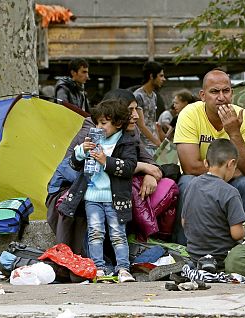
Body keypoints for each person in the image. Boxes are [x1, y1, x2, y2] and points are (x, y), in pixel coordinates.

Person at [47, 89, 161, 259]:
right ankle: (96, 261)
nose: (136, 116)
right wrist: (141, 167)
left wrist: (150, 174)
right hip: (72, 187)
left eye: (136, 109)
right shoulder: (95, 128)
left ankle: (130, 252)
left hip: (108, 186)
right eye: (130, 110)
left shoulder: (129, 131)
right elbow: (82, 168)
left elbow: (151, 163)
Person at [173, 69, 245, 245]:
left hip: (230, 179)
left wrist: (234, 132)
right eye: (214, 92)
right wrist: (228, 172)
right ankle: (185, 247)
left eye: (226, 91)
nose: (221, 97)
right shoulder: (189, 114)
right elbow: (190, 167)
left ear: (232, 93)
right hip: (200, 179)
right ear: (202, 95)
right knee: (186, 183)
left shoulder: (243, 117)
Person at [58, 99, 138, 283]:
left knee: (118, 234)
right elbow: (74, 164)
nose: (98, 127)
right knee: (95, 232)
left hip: (115, 198)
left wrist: (106, 161)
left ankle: (123, 268)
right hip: (92, 197)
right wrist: (81, 151)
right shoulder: (94, 139)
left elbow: (128, 167)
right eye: (97, 123)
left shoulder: (126, 142)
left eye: (103, 123)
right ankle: (98, 267)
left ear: (118, 123)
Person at [181, 139, 245, 271]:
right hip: (222, 256)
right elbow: (237, 234)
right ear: (231, 163)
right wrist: (244, 231)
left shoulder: (192, 185)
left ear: (206, 163)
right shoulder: (230, 192)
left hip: (194, 254)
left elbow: (184, 222)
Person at [133, 61, 167, 154]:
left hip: (153, 145)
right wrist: (158, 143)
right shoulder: (138, 96)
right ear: (152, 76)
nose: (163, 79)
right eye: (161, 76)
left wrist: (159, 142)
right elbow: (141, 125)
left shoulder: (154, 96)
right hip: (142, 146)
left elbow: (152, 121)